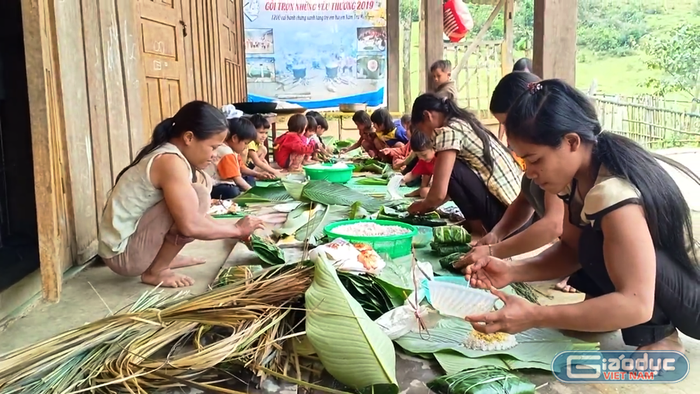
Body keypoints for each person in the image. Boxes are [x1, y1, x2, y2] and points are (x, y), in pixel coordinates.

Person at [464, 79, 700, 353]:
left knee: (606, 248)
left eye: (536, 159)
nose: (529, 172)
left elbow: (636, 302)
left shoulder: (614, 193)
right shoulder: (575, 183)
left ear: (572, 142)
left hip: (691, 301)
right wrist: (511, 271)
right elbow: (571, 252)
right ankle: (604, 311)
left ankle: (661, 335)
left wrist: (535, 316)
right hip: (660, 287)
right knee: (589, 243)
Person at [98, 101, 264, 288]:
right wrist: (236, 230)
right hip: (123, 256)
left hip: (127, 249)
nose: (215, 155)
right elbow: (190, 224)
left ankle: (163, 258)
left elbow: (197, 219)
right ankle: (156, 271)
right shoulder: (169, 161)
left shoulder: (173, 156)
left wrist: (234, 230)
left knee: (198, 193)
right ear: (189, 137)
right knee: (198, 195)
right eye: (212, 147)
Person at [456, 71, 574, 292]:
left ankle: (578, 272)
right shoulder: (536, 158)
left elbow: (553, 224)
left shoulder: (556, 160)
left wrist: (494, 251)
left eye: (509, 123)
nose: (508, 136)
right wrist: (496, 235)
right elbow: (524, 200)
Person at [407, 93, 523, 238]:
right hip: (519, 216)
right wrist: (431, 202)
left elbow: (438, 193)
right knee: (450, 169)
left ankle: (479, 231)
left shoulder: (448, 131)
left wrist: (422, 206)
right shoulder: (462, 122)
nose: (425, 134)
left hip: (507, 222)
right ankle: (475, 224)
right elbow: (450, 191)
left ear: (427, 116)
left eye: (421, 128)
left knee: (451, 168)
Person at [207, 117, 260, 198]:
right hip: (215, 185)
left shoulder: (233, 151)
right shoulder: (226, 152)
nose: (246, 147)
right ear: (234, 138)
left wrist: (258, 174)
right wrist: (255, 194)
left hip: (227, 181)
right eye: (245, 143)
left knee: (249, 178)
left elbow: (241, 168)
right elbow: (237, 179)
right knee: (232, 191)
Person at [241, 114, 282, 180]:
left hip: (252, 165)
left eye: (266, 133)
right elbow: (257, 161)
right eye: (261, 132)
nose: (264, 136)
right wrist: (274, 171)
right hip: (245, 168)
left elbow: (262, 160)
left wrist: (270, 169)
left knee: (263, 149)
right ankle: (253, 176)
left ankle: (258, 174)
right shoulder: (250, 142)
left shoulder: (258, 143)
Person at [401, 131, 435, 198]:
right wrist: (400, 179)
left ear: (434, 148)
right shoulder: (424, 160)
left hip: (448, 186)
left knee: (424, 192)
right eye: (417, 155)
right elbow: (413, 174)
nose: (421, 158)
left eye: (424, 155)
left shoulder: (441, 159)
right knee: (425, 176)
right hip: (436, 186)